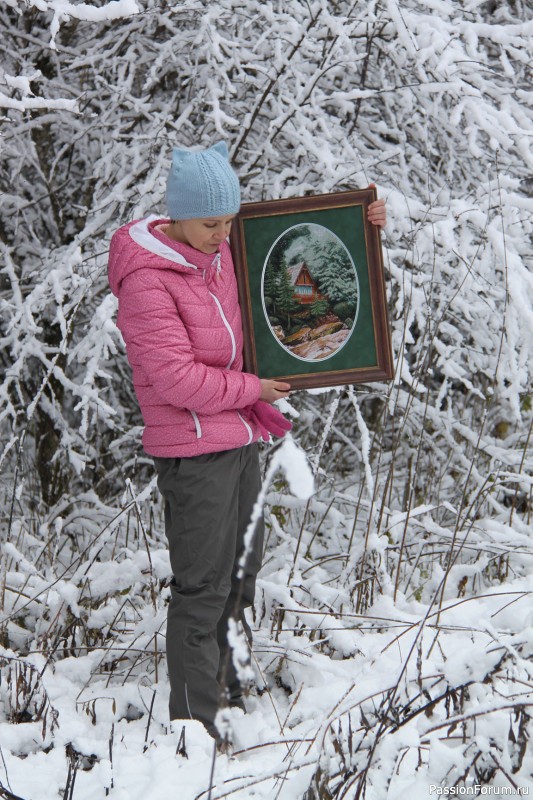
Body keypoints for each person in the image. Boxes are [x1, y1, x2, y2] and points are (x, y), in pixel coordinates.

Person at [107, 142, 387, 743]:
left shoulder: (220, 253)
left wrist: (362, 225)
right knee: (203, 585)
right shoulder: (148, 282)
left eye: (230, 222)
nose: (222, 235)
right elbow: (176, 378)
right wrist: (253, 385)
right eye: (211, 223)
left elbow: (292, 251)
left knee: (240, 575)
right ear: (177, 215)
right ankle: (192, 728)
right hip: (193, 449)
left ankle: (232, 700)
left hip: (239, 435)